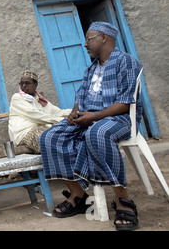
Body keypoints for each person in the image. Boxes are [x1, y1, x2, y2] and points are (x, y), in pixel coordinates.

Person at [38, 22, 142, 231]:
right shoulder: (91, 68)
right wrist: (75, 112)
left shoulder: (126, 62)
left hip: (118, 119)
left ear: (104, 37)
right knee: (49, 137)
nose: (85, 44)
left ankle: (123, 200)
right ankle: (78, 195)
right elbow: (81, 95)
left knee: (97, 132)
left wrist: (95, 116)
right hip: (90, 117)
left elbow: (124, 103)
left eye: (89, 39)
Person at [8, 70, 71, 154]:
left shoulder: (40, 100)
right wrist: (62, 120)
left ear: (35, 84)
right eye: (21, 83)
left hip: (41, 129)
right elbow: (35, 115)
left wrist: (76, 111)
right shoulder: (17, 98)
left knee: (68, 133)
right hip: (25, 133)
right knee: (48, 139)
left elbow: (57, 112)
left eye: (27, 83)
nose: (23, 86)